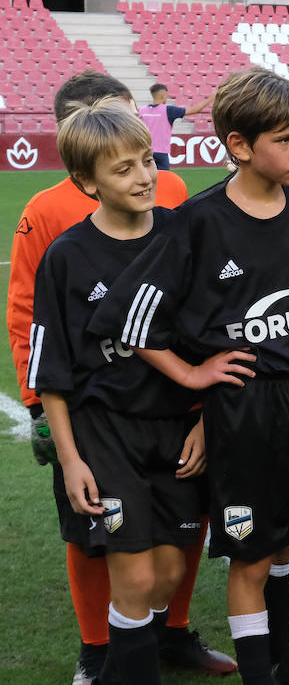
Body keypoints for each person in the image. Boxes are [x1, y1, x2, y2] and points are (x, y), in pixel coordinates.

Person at [91, 68, 289, 685]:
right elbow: (127, 321)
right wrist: (190, 375)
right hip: (243, 411)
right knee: (253, 559)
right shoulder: (197, 222)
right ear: (240, 145)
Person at [5, 70, 228, 685]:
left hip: (178, 427)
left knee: (169, 572)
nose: (143, 176)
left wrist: (206, 421)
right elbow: (52, 367)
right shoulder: (67, 255)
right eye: (122, 169)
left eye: (144, 161)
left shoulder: (183, 236)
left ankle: (133, 658)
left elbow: (212, 341)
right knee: (131, 576)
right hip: (105, 434)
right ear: (86, 182)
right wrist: (72, 459)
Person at [137, 83, 214, 170]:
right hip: (161, 153)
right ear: (163, 95)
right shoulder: (168, 110)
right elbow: (195, 110)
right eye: (166, 95)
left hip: (146, 152)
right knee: (165, 180)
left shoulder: (141, 110)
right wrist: (210, 99)